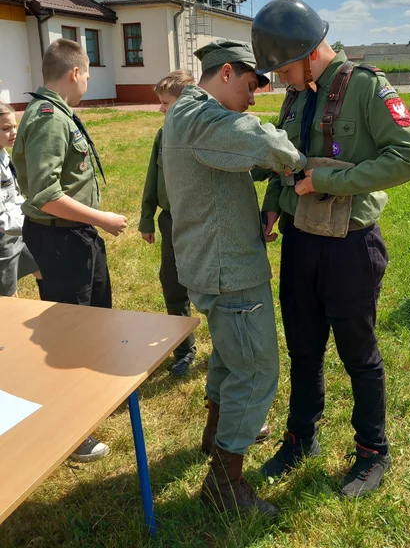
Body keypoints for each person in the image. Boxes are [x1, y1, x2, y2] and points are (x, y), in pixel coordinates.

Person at [252, 0, 410, 498]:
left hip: (351, 245)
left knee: (359, 355)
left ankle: (373, 451)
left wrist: (336, 178)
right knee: (304, 349)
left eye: (284, 67)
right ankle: (299, 438)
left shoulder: (369, 88)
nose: (282, 79)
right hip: (300, 241)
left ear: (310, 52)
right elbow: (287, 160)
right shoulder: (295, 96)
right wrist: (272, 200)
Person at [162, 39, 306, 516]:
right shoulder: (203, 118)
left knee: (229, 353)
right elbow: (263, 141)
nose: (254, 97)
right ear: (225, 72)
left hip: (211, 262)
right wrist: (298, 161)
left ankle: (214, 435)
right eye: (250, 85)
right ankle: (224, 486)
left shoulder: (187, 111)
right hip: (229, 269)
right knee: (257, 369)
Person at [13, 38, 127, 463]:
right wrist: (103, 219)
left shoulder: (59, 113)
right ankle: (70, 430)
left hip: (77, 237)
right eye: (88, 75)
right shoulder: (47, 118)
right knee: (68, 334)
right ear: (75, 73)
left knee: (95, 318)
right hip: (61, 239)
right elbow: (44, 194)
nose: (88, 82)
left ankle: (91, 399)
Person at [139, 70, 198, 377]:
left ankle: (227, 352)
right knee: (173, 285)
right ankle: (183, 349)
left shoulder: (201, 131)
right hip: (171, 222)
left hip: (200, 223)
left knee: (208, 289)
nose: (161, 109)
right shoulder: (163, 135)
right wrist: (147, 217)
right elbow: (153, 177)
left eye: (165, 102)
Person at [0, 101, 41, 297]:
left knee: (44, 269)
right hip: (3, 242)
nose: (13, 132)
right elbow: (1, 219)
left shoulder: (4, 154)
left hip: (20, 231)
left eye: (15, 126)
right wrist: (32, 221)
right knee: (8, 298)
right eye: (6, 128)